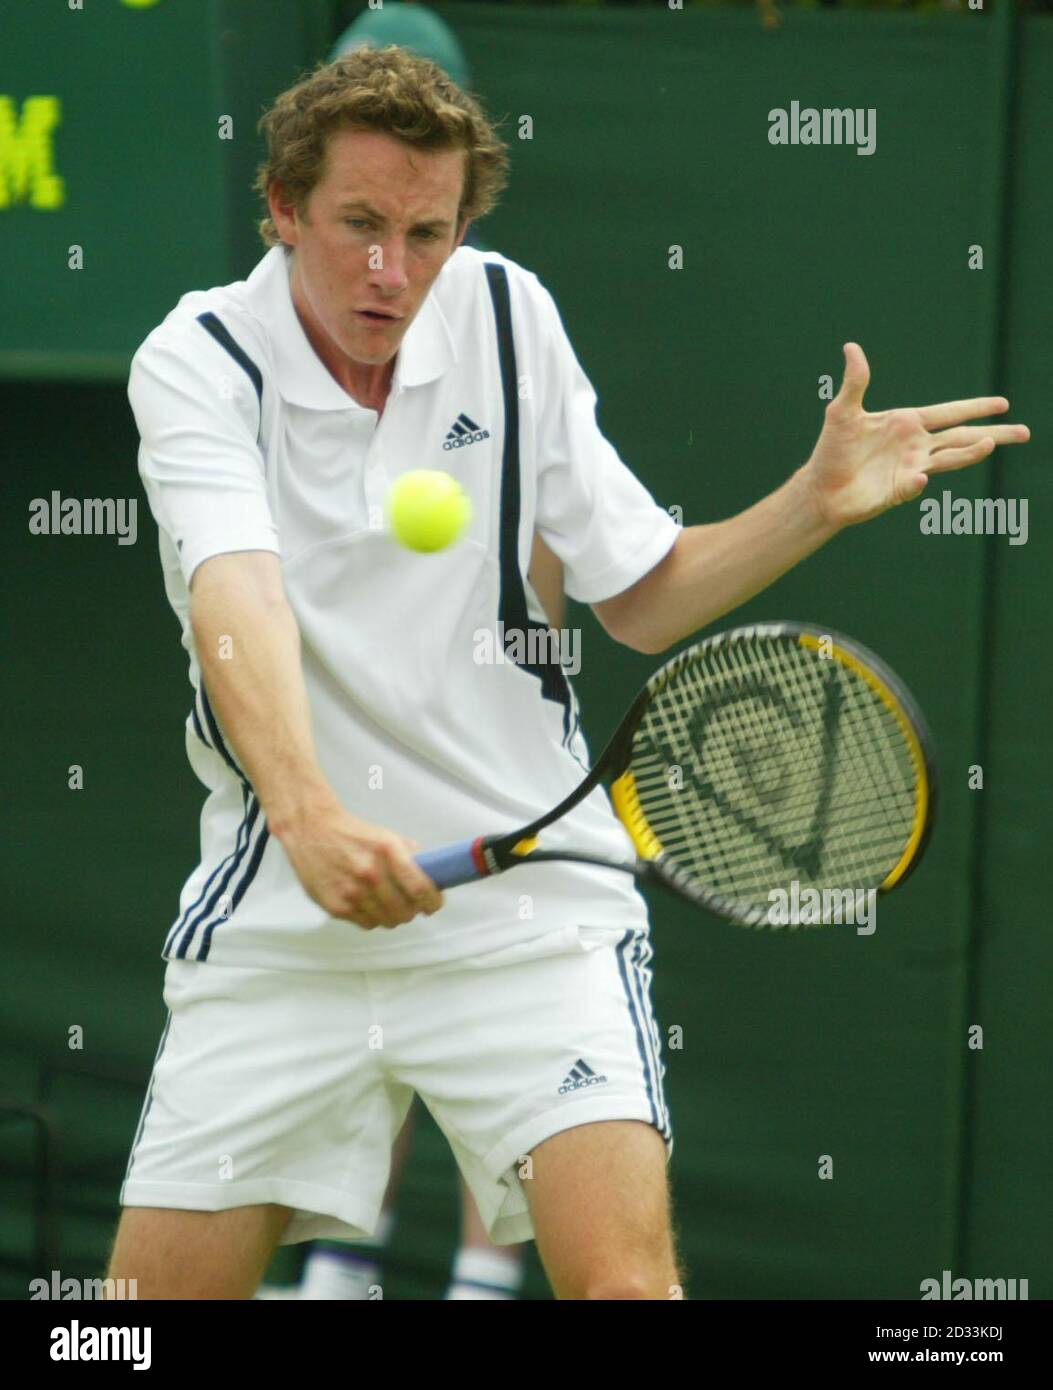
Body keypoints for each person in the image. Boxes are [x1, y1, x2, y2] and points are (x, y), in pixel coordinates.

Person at [106, 45, 1028, 1300]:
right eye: (358, 225)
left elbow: (642, 595)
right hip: (286, 917)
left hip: (530, 916)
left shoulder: (505, 314)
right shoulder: (198, 359)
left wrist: (810, 505)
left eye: (427, 232)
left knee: (629, 1292)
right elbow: (237, 599)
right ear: (280, 207)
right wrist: (311, 817)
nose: (393, 271)